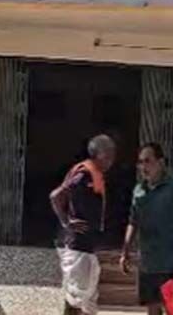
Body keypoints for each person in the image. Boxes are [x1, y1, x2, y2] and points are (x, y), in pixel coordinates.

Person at [121, 143, 173, 315]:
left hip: (171, 260)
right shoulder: (139, 190)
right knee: (152, 308)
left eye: (148, 161)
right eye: (140, 162)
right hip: (147, 261)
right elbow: (133, 221)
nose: (143, 167)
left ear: (161, 163)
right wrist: (125, 251)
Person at [50, 134, 117, 315]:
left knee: (87, 299)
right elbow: (56, 196)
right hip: (77, 245)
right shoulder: (84, 174)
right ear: (97, 153)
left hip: (86, 246)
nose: (112, 158)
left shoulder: (95, 175)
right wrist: (66, 222)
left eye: (113, 153)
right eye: (108, 153)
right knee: (77, 297)